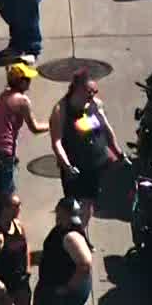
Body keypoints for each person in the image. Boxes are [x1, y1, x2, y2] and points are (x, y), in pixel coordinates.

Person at [49, 69, 123, 233]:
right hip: (74, 167)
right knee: (73, 206)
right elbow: (57, 142)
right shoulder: (61, 110)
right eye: (89, 91)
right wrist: (67, 166)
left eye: (95, 91)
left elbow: (107, 129)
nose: (93, 95)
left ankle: (82, 234)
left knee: (89, 203)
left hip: (95, 165)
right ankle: (67, 236)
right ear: (78, 89)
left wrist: (118, 152)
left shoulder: (96, 104)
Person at [0, 63, 48, 226]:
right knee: (7, 194)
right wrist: (53, 124)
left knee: (3, 191)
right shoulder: (22, 101)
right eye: (27, 79)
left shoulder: (4, 95)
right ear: (20, 82)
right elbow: (35, 127)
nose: (29, 82)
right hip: (2, 151)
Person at [32, 197, 93, 305]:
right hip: (52, 287)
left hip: (65, 290)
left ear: (64, 213)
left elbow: (85, 264)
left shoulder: (71, 235)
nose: (56, 215)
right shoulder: (63, 229)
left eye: (58, 212)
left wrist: (68, 288)